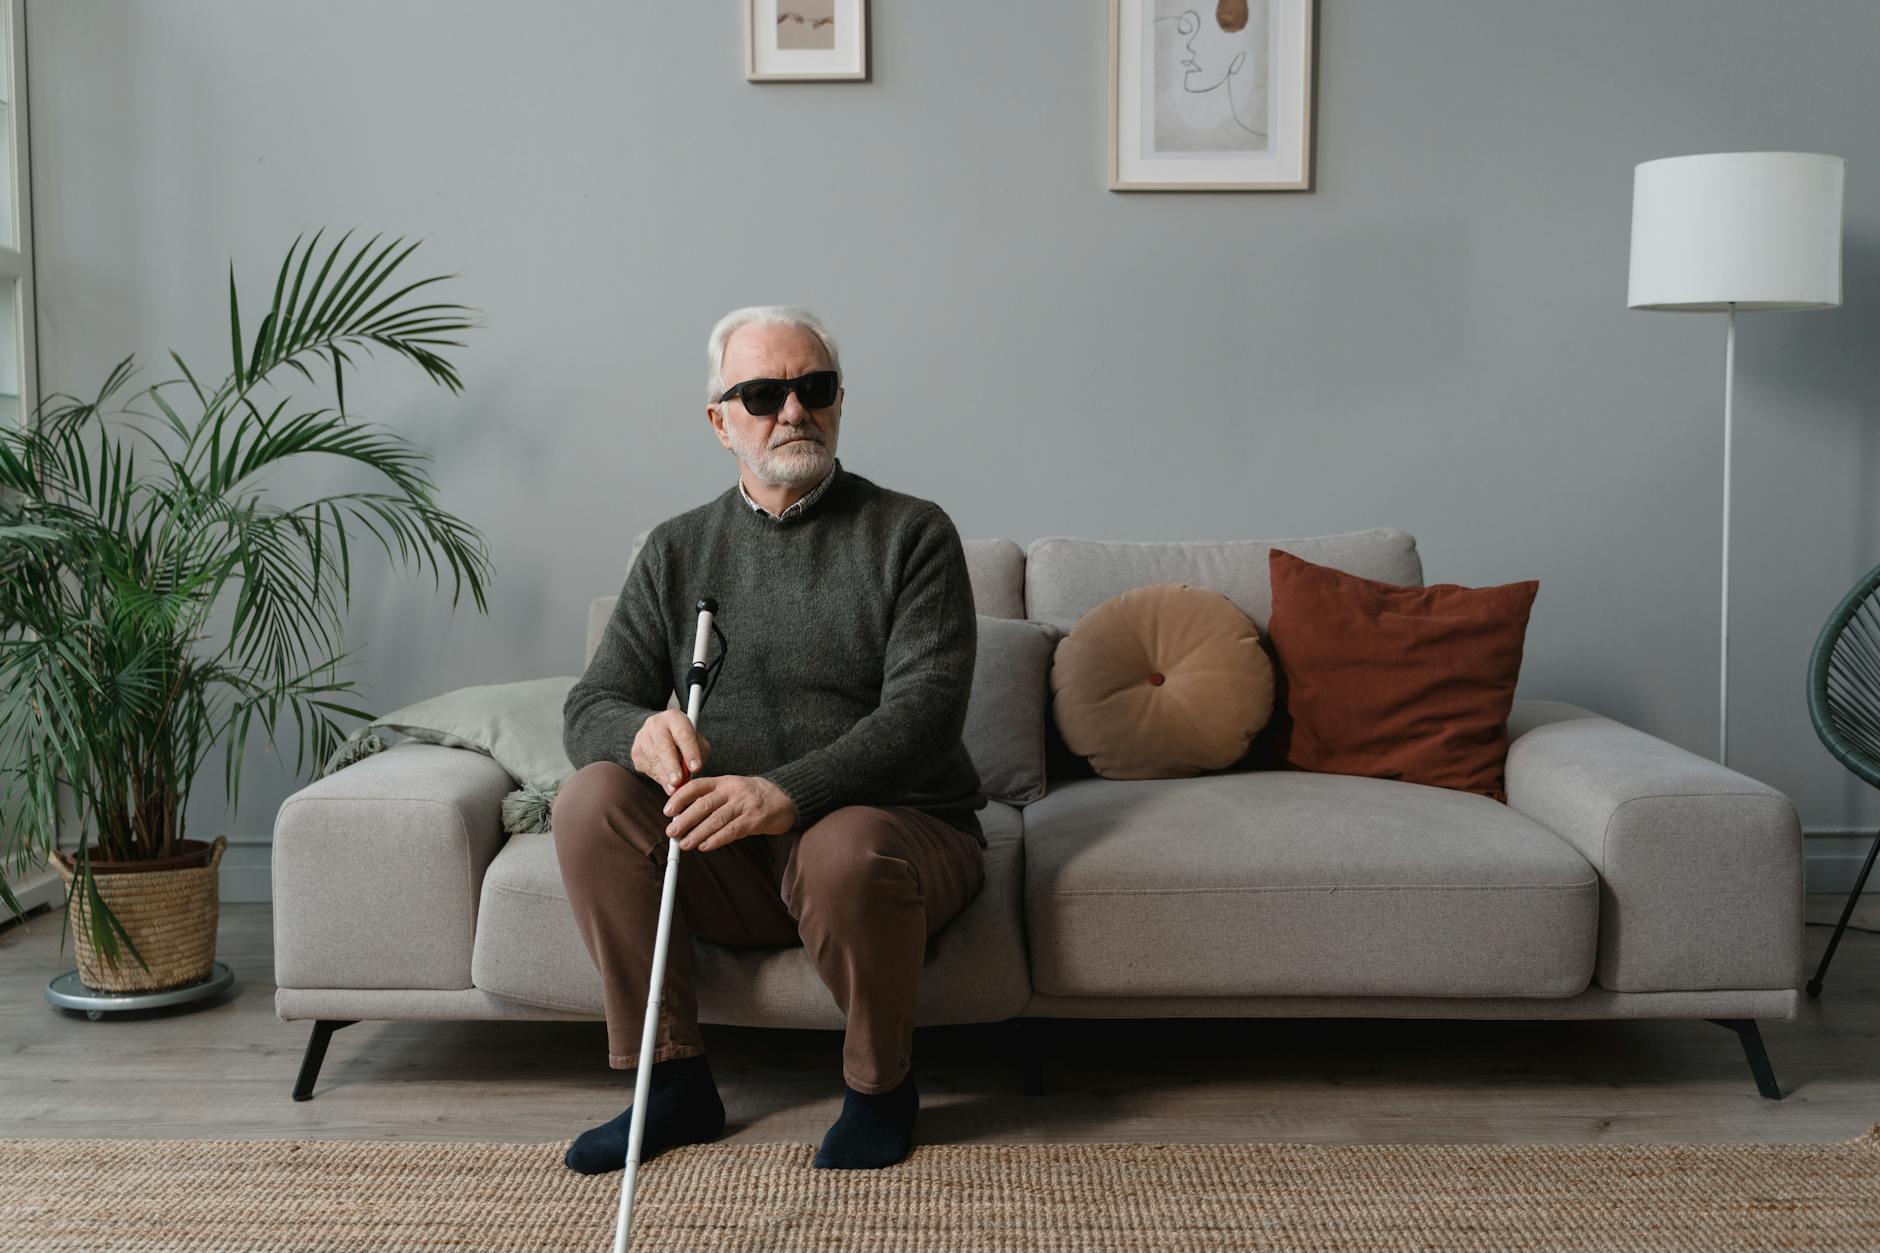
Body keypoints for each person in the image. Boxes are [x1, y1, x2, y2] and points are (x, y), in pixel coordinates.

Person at [553, 305, 988, 1175]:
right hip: (732, 856)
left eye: (813, 387)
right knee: (589, 800)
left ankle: (878, 1089)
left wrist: (783, 792)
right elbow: (589, 704)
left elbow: (925, 716)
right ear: (721, 421)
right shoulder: (677, 549)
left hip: (893, 839)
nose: (794, 410)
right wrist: (642, 733)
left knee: (842, 846)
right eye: (762, 393)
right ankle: (670, 1083)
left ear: (837, 400)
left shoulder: (912, 532)